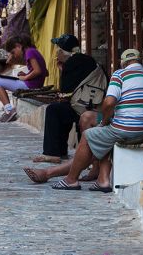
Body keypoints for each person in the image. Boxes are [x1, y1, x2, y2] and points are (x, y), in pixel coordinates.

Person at [48, 48, 143, 192]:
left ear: (123, 63)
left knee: (88, 135)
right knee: (103, 134)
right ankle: (102, 180)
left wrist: (105, 120)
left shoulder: (120, 74)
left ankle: (71, 180)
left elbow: (109, 103)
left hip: (127, 130)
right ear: (140, 61)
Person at [33, 34, 104, 163]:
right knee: (63, 109)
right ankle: (61, 152)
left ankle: (53, 153)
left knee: (54, 110)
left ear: (61, 51)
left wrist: (63, 70)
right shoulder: (88, 60)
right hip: (95, 106)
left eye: (58, 49)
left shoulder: (71, 63)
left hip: (84, 108)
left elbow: (66, 90)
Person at [0, 34, 48, 122]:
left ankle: (9, 110)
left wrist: (25, 78)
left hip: (30, 86)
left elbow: (38, 71)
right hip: (34, 84)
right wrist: (27, 74)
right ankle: (9, 110)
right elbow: (45, 72)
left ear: (19, 46)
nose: (14, 55)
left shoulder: (29, 52)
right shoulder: (33, 51)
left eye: (13, 52)